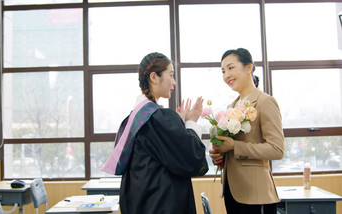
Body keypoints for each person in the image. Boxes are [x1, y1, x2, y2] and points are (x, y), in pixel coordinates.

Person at [102, 52, 209, 214]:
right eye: (171, 75)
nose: (173, 82)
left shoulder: (135, 117)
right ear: (154, 77)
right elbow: (192, 158)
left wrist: (178, 123)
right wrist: (191, 122)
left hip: (142, 202)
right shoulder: (158, 118)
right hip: (162, 204)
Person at [209, 48, 284, 214]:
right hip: (232, 192)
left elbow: (277, 149)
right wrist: (218, 153)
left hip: (256, 194)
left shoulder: (265, 101)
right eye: (223, 71)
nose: (226, 75)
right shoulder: (232, 106)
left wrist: (235, 146)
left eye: (231, 68)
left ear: (249, 68)